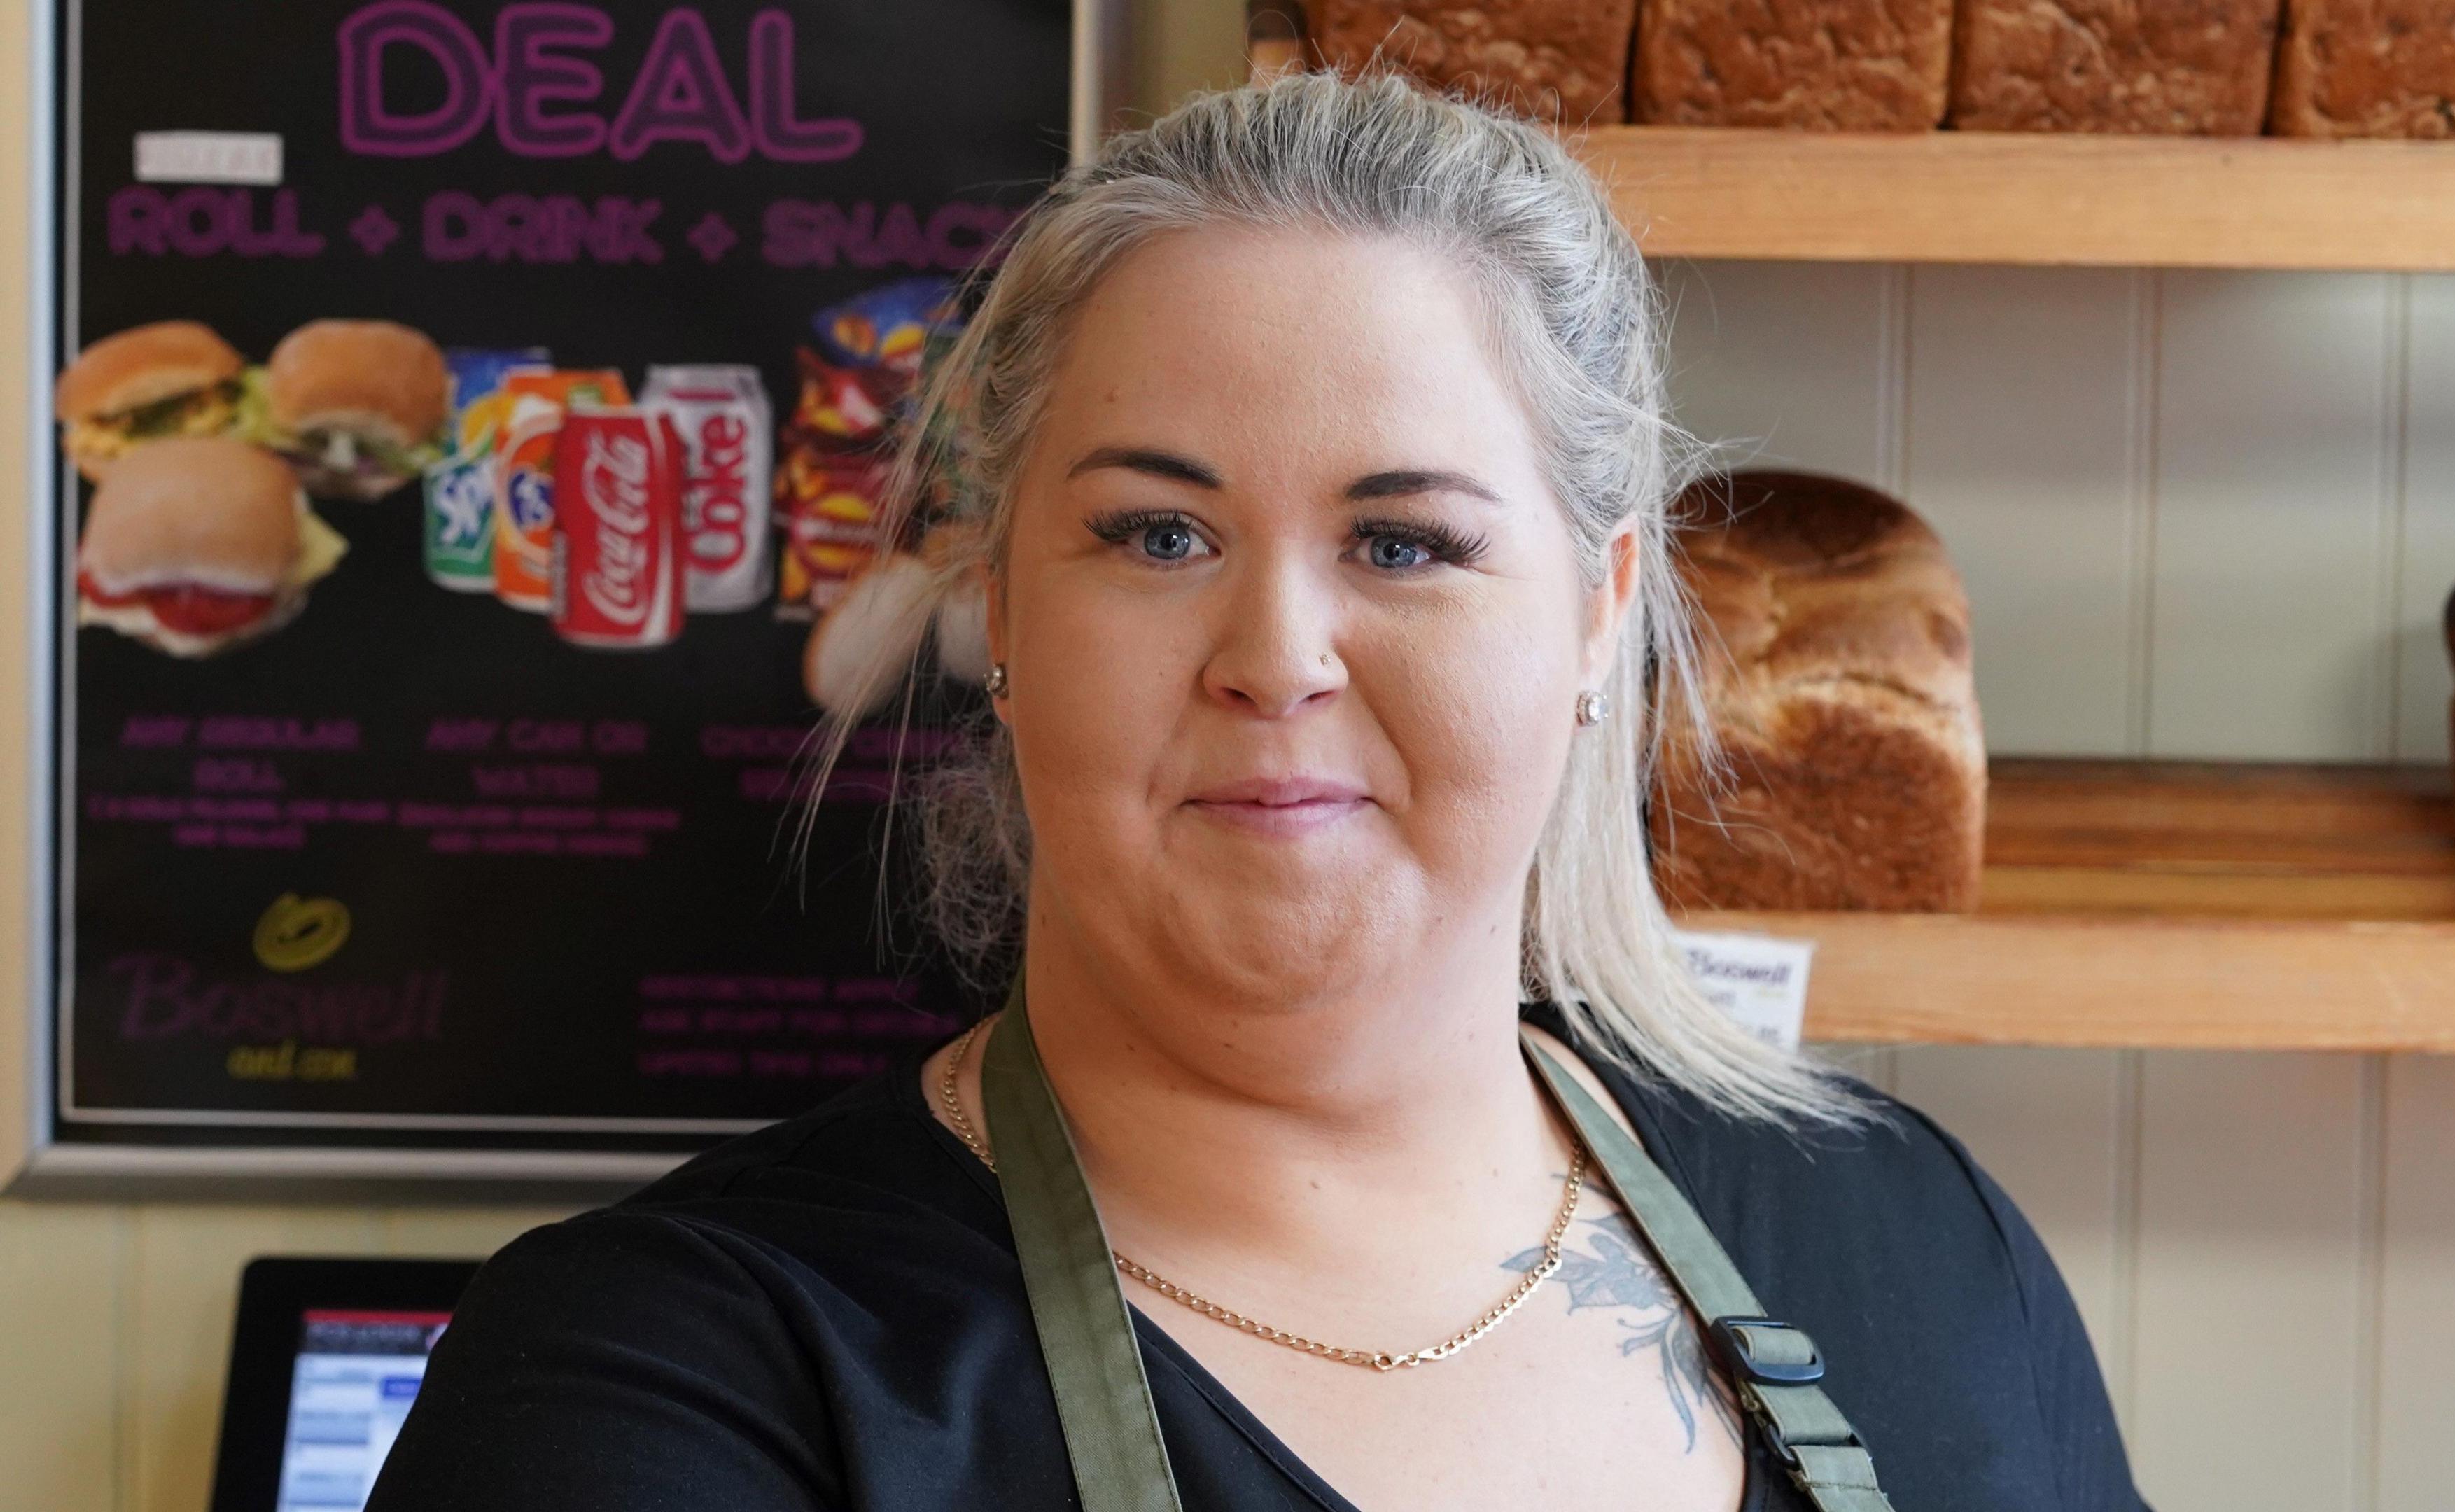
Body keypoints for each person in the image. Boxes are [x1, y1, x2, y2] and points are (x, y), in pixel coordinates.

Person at [366, 68, 2148, 1512]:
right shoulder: (672, 1384)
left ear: (1599, 616)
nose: (1275, 652)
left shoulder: (1910, 1246)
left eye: (1404, 540)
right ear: (998, 607)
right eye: (1158, 534)